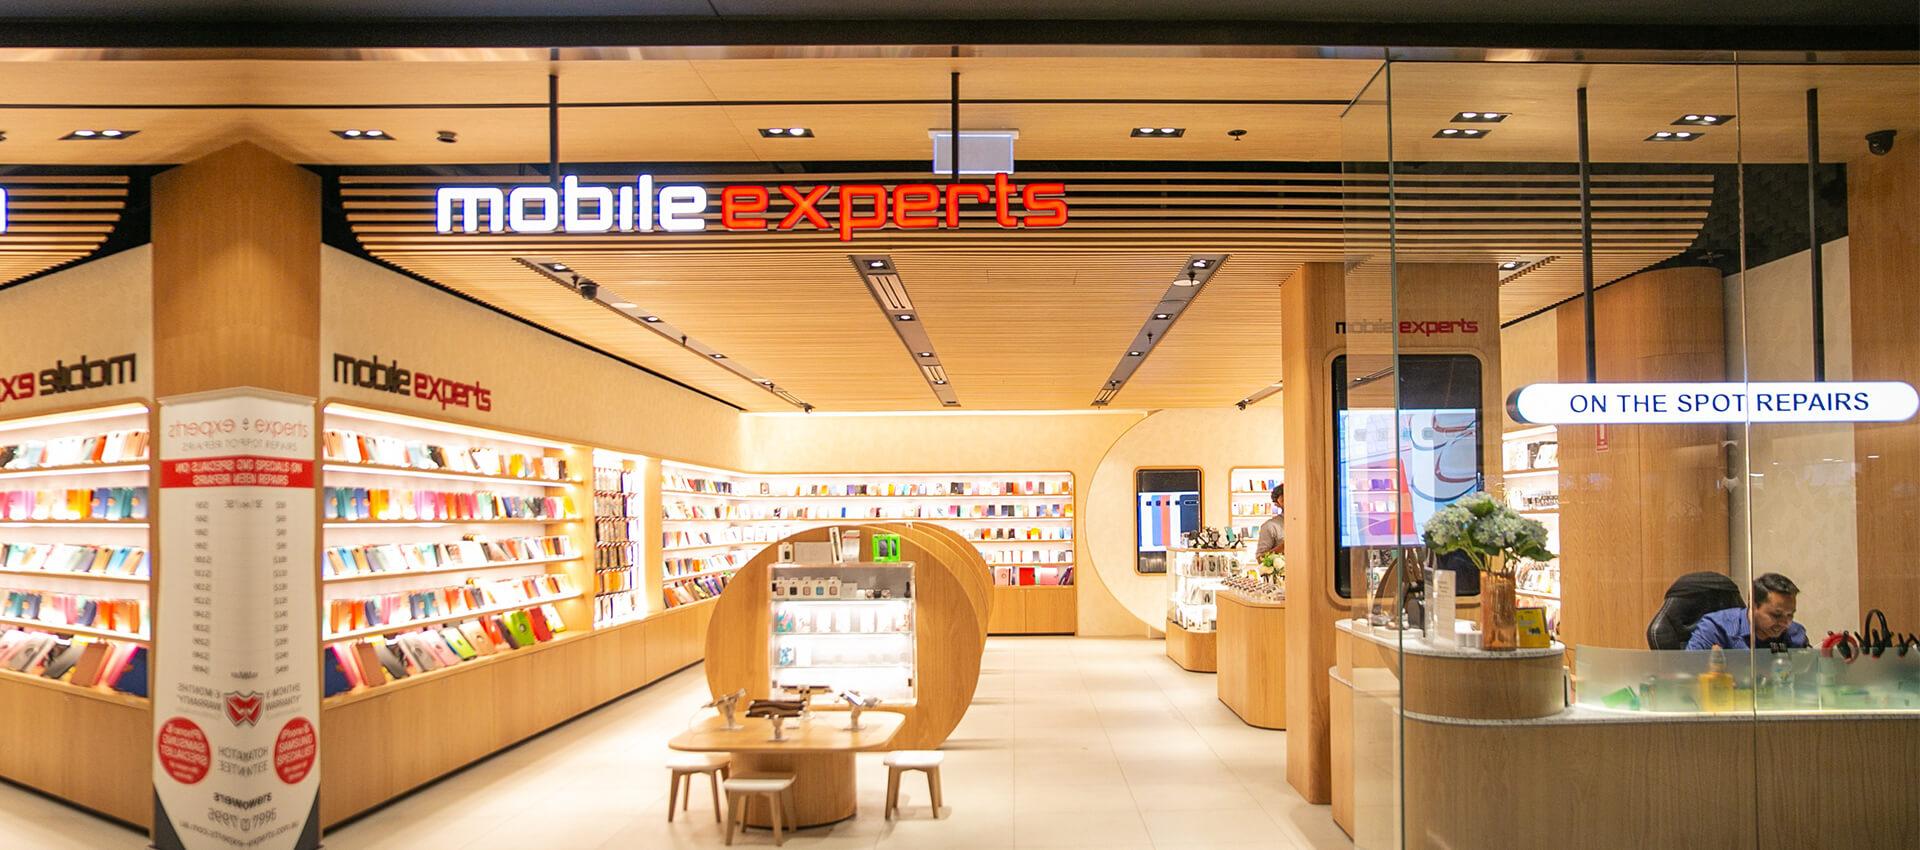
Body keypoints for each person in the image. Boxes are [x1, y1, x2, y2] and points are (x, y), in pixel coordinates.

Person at [1686, 573, 1808, 650]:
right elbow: (1689, 672)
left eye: (1790, 615)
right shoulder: (1715, 628)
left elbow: (1807, 676)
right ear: (1753, 606)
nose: (1785, 623)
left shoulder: (1794, 633)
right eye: (1776, 615)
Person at [1255, 484, 1284, 558]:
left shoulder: (1308, 524)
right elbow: (1260, 558)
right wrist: (1282, 548)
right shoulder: (1270, 526)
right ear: (1278, 503)